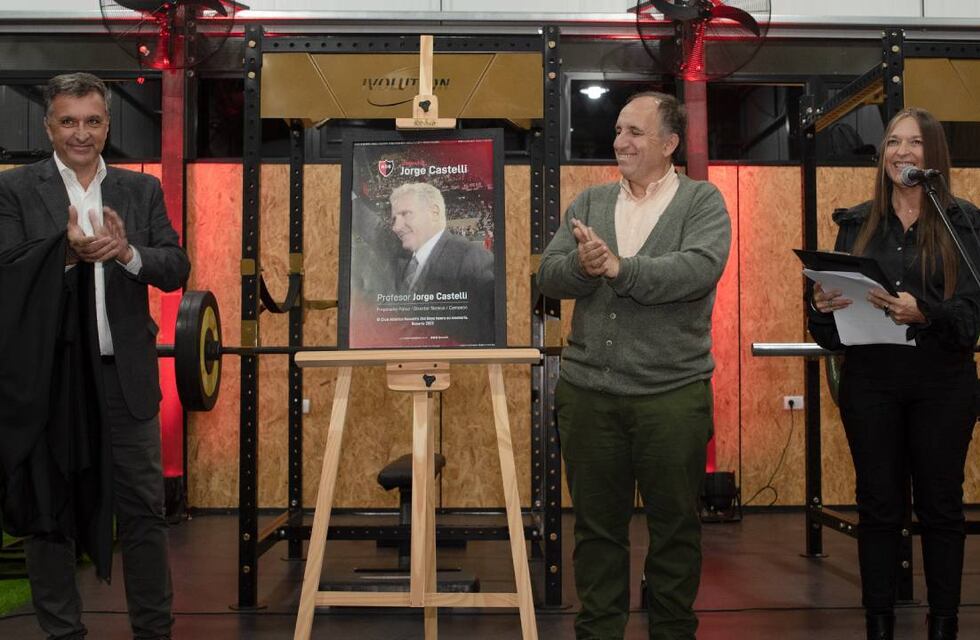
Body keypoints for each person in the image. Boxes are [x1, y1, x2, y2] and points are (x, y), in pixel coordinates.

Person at [0, 72, 189, 640]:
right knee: (48, 516)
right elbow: (6, 271)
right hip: (50, 383)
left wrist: (128, 252)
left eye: (92, 121)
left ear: (107, 125)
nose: (80, 133)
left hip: (124, 381)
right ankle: (63, 633)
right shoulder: (15, 189)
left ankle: (154, 632)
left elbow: (176, 266)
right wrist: (66, 254)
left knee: (143, 515)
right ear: (48, 126)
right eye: (68, 121)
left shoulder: (140, 189)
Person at [537, 91, 731, 640]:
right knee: (597, 532)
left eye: (635, 133)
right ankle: (599, 632)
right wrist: (583, 264)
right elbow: (548, 276)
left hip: (671, 397)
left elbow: (696, 269)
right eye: (619, 130)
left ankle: (673, 631)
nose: (620, 141)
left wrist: (620, 268)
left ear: (669, 144)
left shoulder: (702, 203)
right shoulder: (591, 202)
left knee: (675, 530)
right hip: (588, 395)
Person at [808, 107, 979, 640]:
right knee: (879, 506)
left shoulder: (966, 222)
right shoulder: (855, 224)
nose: (902, 152)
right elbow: (827, 334)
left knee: (941, 506)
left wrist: (925, 312)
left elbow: (973, 318)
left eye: (915, 144)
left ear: (934, 157)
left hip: (943, 383)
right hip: (871, 382)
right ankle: (878, 623)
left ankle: (944, 624)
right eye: (893, 143)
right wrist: (820, 306)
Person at [387, 182, 495, 345]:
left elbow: (484, 334)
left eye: (406, 214)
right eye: (395, 218)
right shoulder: (403, 262)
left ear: (434, 212)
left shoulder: (472, 257)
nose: (396, 227)